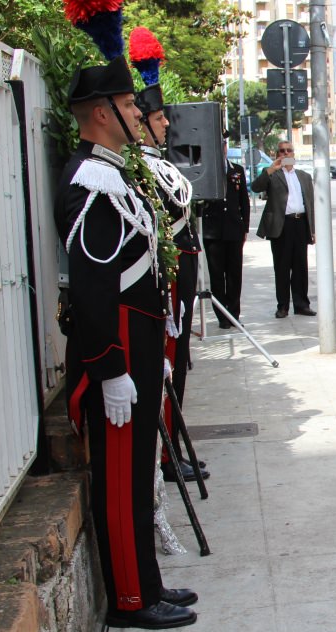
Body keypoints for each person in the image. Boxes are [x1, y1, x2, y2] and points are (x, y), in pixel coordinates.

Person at [54, 56, 196, 629]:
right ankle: (130, 600)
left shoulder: (113, 172)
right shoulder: (90, 178)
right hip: (112, 357)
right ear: (99, 112)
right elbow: (92, 286)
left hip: (135, 351)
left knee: (139, 476)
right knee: (119, 482)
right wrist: (111, 368)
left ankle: (150, 583)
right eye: (130, 104)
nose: (139, 112)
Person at [129, 28, 206, 483]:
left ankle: (173, 448)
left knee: (177, 367)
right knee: (168, 366)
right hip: (169, 281)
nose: (165, 126)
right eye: (158, 120)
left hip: (181, 275)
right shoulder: (143, 169)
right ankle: (166, 455)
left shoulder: (158, 165)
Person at [252, 140, 316, 318]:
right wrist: (271, 169)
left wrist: (313, 229)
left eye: (289, 151)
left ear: (294, 154)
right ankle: (282, 306)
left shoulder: (303, 176)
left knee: (300, 267)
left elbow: (310, 203)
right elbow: (255, 187)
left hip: (300, 223)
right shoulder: (273, 175)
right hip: (282, 226)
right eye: (282, 151)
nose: (286, 153)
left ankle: (302, 304)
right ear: (277, 154)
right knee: (281, 267)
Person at [202, 133, 251, 328]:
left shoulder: (236, 170)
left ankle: (234, 313)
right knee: (216, 275)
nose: (221, 148)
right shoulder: (207, 171)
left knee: (234, 274)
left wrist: (245, 227)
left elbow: (244, 202)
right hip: (213, 231)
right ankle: (222, 315)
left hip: (233, 230)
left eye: (223, 145)